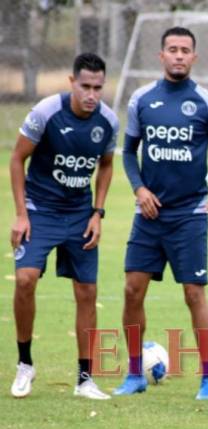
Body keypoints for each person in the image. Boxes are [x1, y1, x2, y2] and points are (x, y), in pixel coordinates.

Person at [115, 27, 208, 399]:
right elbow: (129, 153)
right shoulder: (142, 99)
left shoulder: (207, 103)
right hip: (148, 216)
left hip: (189, 215)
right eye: (172, 49)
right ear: (161, 56)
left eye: (185, 50)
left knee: (194, 294)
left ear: (194, 57)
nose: (178, 55)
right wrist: (139, 188)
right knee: (132, 290)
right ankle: (133, 374)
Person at [9, 53, 119, 401]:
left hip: (79, 213)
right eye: (85, 86)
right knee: (25, 279)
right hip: (40, 211)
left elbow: (105, 166)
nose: (91, 94)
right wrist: (21, 214)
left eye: (98, 88)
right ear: (72, 82)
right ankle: (25, 364)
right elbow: (16, 159)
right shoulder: (46, 113)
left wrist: (98, 212)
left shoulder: (108, 122)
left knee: (87, 292)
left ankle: (85, 379)